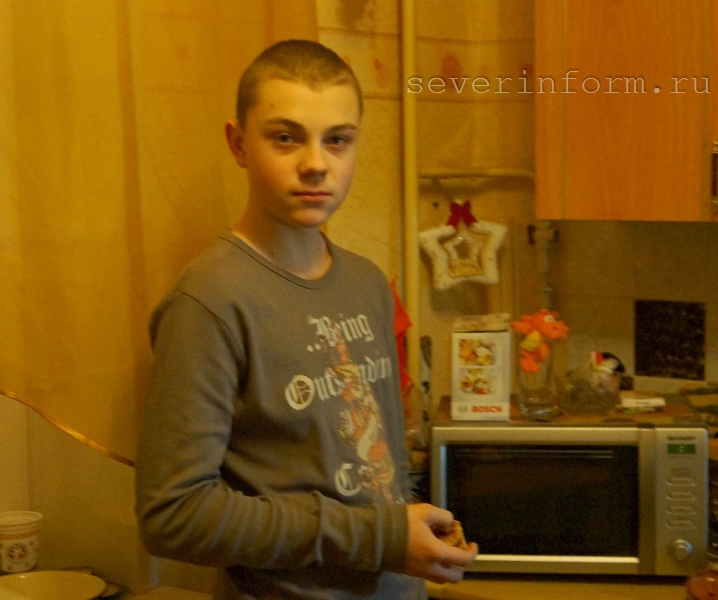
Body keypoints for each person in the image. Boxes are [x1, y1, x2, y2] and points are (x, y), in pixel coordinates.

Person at [135, 39, 478, 600]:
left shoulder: (368, 284)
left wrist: (410, 532)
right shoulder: (210, 301)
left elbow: (380, 470)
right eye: (286, 137)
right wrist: (380, 536)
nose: (316, 164)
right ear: (238, 143)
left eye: (337, 140)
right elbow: (173, 515)